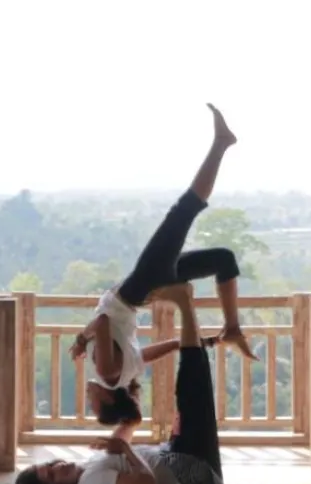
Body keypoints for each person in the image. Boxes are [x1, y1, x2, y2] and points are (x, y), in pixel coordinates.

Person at [69, 105, 255, 428]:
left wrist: (210, 342)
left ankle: (233, 327)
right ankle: (222, 143)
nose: (89, 399)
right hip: (140, 286)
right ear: (110, 399)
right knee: (184, 210)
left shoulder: (125, 374)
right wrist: (82, 339)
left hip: (146, 292)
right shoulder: (108, 373)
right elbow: (101, 321)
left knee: (224, 258)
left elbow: (160, 350)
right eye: (93, 405)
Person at [12, 282, 225, 484]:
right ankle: (183, 300)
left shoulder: (88, 469)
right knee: (192, 383)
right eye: (53, 475)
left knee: (190, 382)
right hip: (196, 475)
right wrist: (124, 448)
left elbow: (124, 440)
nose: (58, 467)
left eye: (50, 465)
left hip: (179, 456)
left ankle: (184, 299)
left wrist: (125, 428)